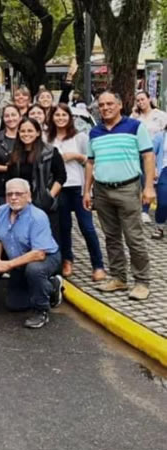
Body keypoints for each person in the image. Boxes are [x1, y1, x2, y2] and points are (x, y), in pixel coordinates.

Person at [84, 91, 155, 300]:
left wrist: (149, 187)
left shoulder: (134, 127)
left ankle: (142, 281)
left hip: (128, 188)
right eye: (102, 105)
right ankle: (118, 278)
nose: (105, 108)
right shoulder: (94, 132)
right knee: (111, 237)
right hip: (102, 191)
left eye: (109, 104)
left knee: (134, 237)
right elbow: (90, 161)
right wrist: (86, 191)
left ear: (120, 105)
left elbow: (148, 156)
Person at [0, 178, 63, 329]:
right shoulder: (1, 211)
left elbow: (39, 254)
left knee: (34, 270)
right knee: (14, 305)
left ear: (28, 196)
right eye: (9, 194)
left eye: (18, 194)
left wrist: (9, 264)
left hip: (44, 257)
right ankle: (49, 287)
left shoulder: (37, 217)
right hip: (17, 258)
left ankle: (42, 311)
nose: (13, 197)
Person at [48, 104, 106, 280]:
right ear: (52, 118)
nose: (60, 118)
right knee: (64, 227)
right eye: (57, 115)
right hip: (59, 187)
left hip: (78, 187)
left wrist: (76, 156)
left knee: (87, 227)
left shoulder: (80, 138)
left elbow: (91, 162)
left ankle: (98, 265)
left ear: (70, 118)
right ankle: (67, 259)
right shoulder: (47, 139)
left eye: (64, 115)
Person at [7, 117, 65, 242]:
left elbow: (61, 176)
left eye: (30, 131)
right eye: (23, 131)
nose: (26, 134)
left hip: (44, 204)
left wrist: (50, 195)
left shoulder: (50, 151)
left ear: (38, 132)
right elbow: (10, 178)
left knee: (47, 239)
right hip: (21, 203)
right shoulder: (15, 154)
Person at [131, 90, 167, 224]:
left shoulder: (160, 115)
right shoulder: (136, 118)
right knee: (146, 181)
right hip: (141, 152)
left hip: (157, 153)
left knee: (158, 181)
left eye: (143, 99)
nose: (141, 102)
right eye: (138, 101)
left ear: (149, 99)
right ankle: (145, 209)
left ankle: (157, 209)